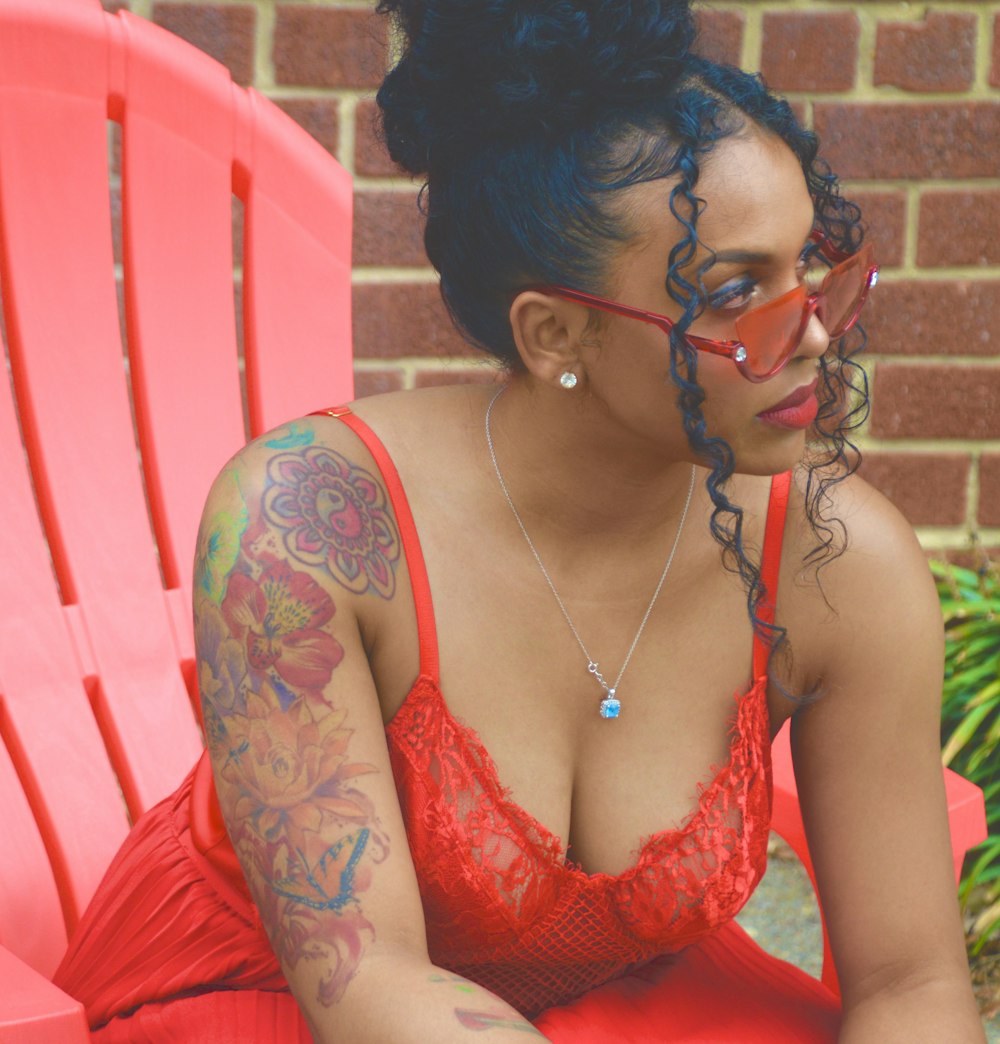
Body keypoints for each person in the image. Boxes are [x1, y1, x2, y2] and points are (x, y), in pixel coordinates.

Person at [55, 1, 985, 1040]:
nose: (812, 330)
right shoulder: (313, 525)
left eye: (810, 267)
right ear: (554, 334)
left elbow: (910, 986)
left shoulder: (838, 566)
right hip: (287, 991)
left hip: (609, 998)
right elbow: (367, 983)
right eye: (736, 294)